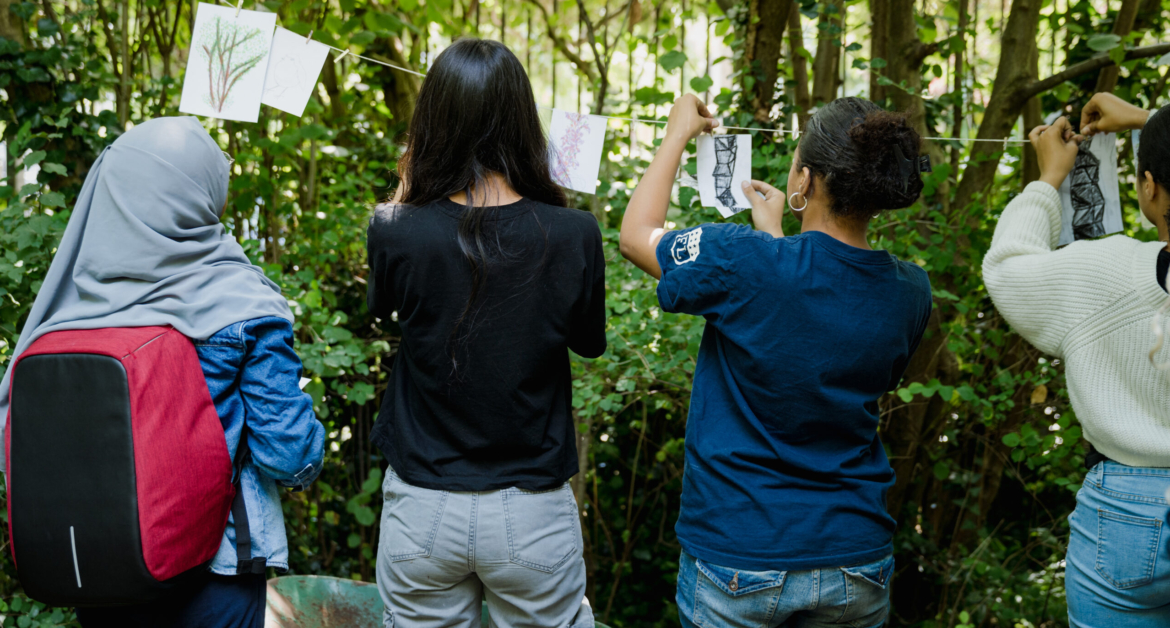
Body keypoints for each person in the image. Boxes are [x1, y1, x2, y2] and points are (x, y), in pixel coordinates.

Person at [618, 94, 932, 627]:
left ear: (804, 181)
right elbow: (818, 329)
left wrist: (676, 135)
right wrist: (776, 239)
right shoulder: (910, 292)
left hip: (740, 554)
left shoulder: (746, 262)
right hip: (856, 559)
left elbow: (635, 237)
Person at [0, 117, 326, 628]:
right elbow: (287, 453)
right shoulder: (241, 303)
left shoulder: (66, 314)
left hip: (102, 572)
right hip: (213, 574)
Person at [366, 38, 606, 628]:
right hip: (532, 508)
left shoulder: (394, 228)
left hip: (421, 504)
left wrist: (408, 190)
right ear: (524, 120)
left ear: (432, 121)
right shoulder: (573, 232)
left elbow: (384, 310)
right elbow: (589, 341)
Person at [983, 94, 1170, 626]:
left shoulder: (1104, 272)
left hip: (1128, 517)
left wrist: (1048, 181)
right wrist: (1147, 120)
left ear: (1149, 186)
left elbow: (1007, 269)